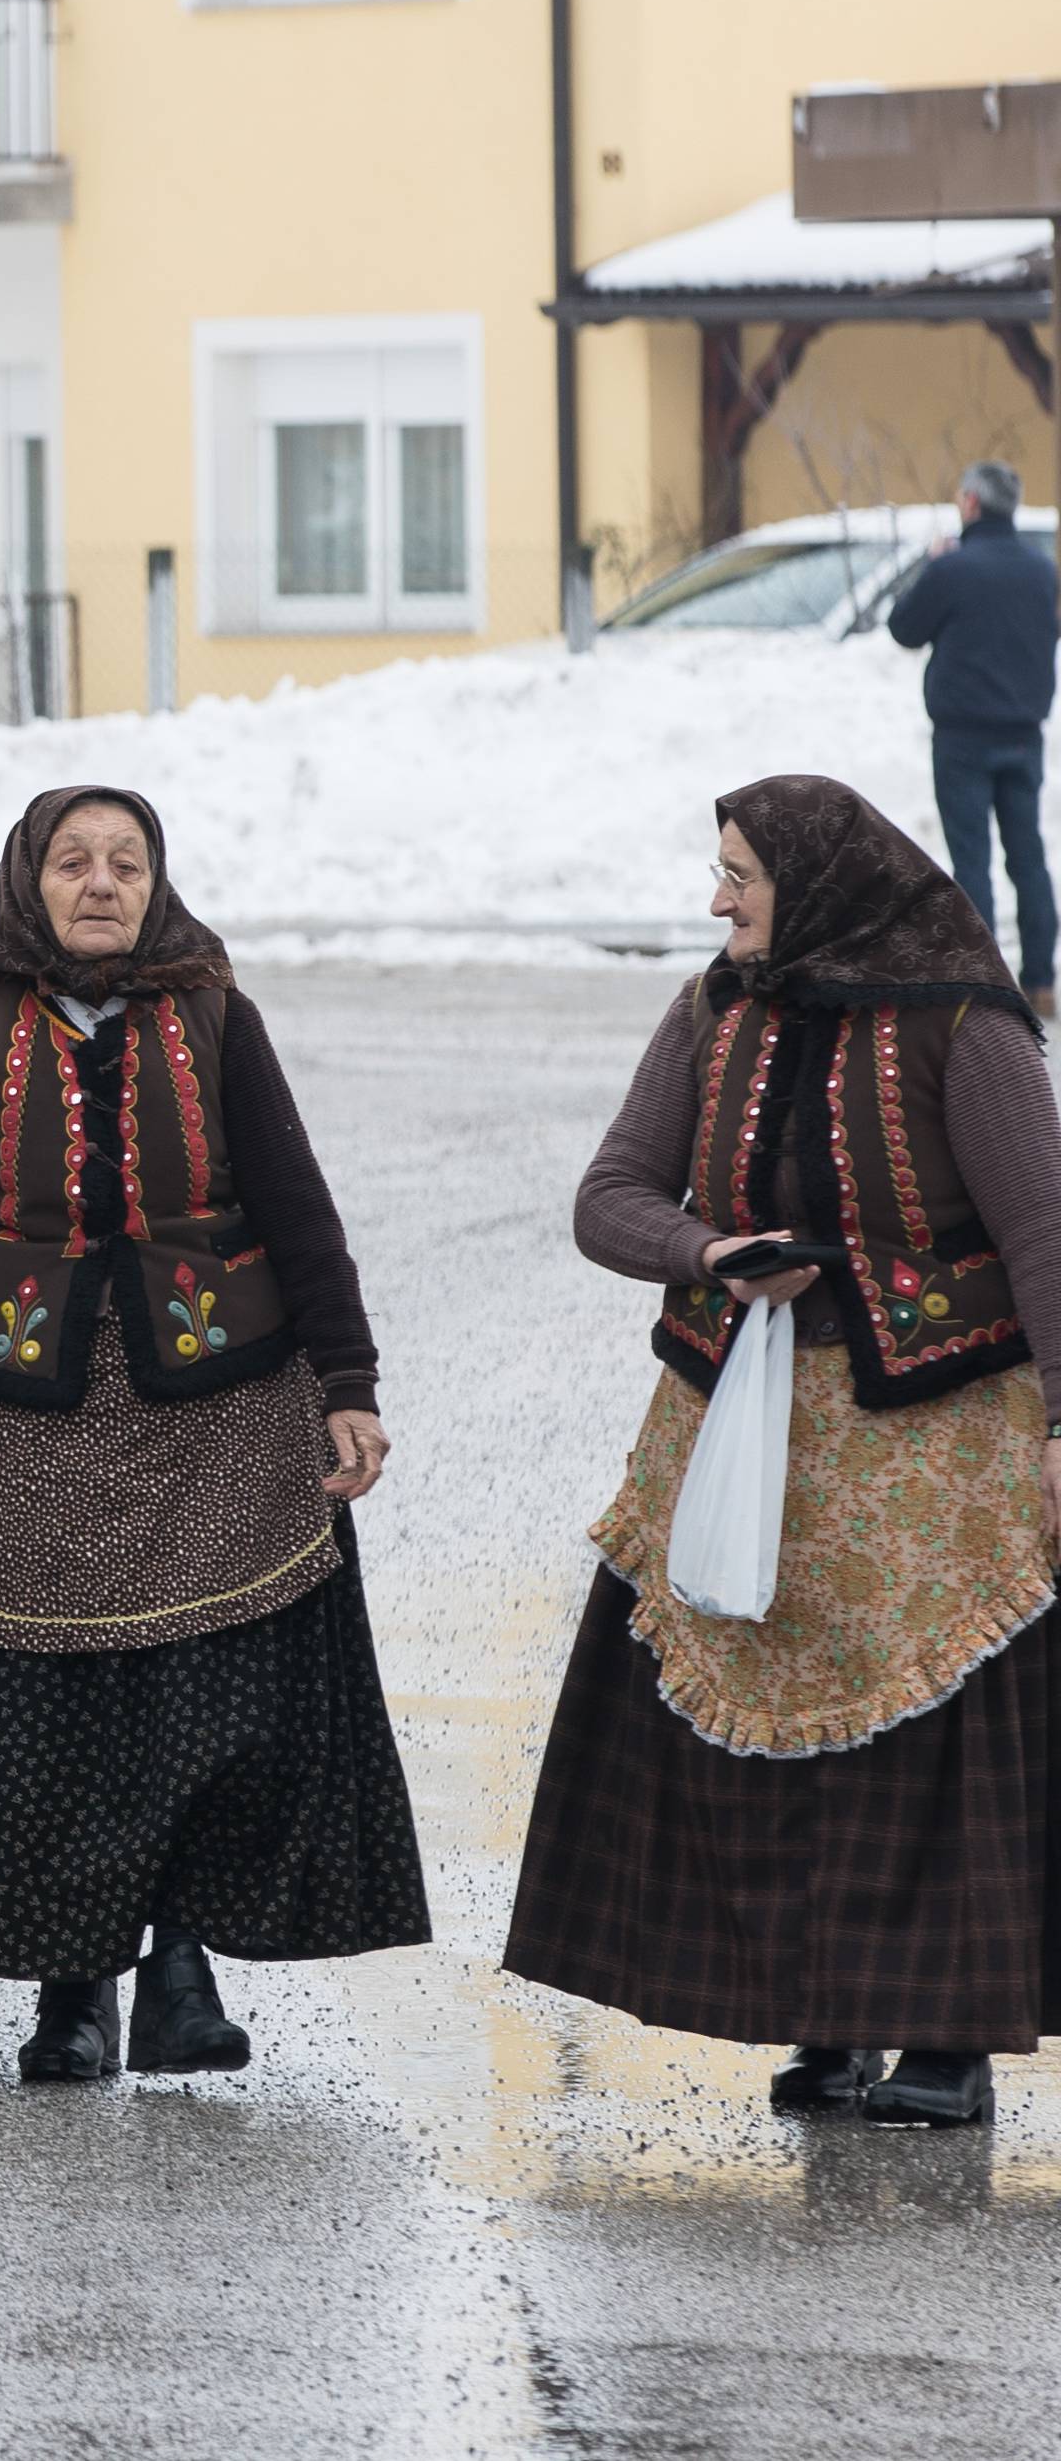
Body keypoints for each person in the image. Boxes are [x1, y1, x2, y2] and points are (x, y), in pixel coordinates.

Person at [506, 774, 1061, 2128]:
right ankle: (820, 2015)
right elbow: (608, 1195)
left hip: (935, 1442)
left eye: (740, 874)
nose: (717, 900)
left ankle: (944, 2033)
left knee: (928, 1734)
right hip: (742, 1419)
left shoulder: (955, 1019)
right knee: (756, 1729)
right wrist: (706, 1250)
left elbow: (1047, 1228)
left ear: (815, 881)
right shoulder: (713, 1011)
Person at [0, 786, 429, 2085]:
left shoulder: (215, 1013)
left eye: (127, 861)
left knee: (201, 1701)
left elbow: (297, 1203)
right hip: (22, 1423)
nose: (102, 883)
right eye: (75, 861)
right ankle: (72, 1993)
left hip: (220, 1410)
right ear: (31, 880)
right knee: (51, 1709)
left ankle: (180, 1969)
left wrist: (349, 1383)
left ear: (158, 881)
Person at [888, 459, 1061, 1019]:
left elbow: (904, 629)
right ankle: (1041, 981)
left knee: (973, 861)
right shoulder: (1043, 572)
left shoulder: (953, 569)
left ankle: (984, 984)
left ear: (970, 504)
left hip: (962, 736)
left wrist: (934, 565)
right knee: (1027, 856)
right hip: (1024, 732)